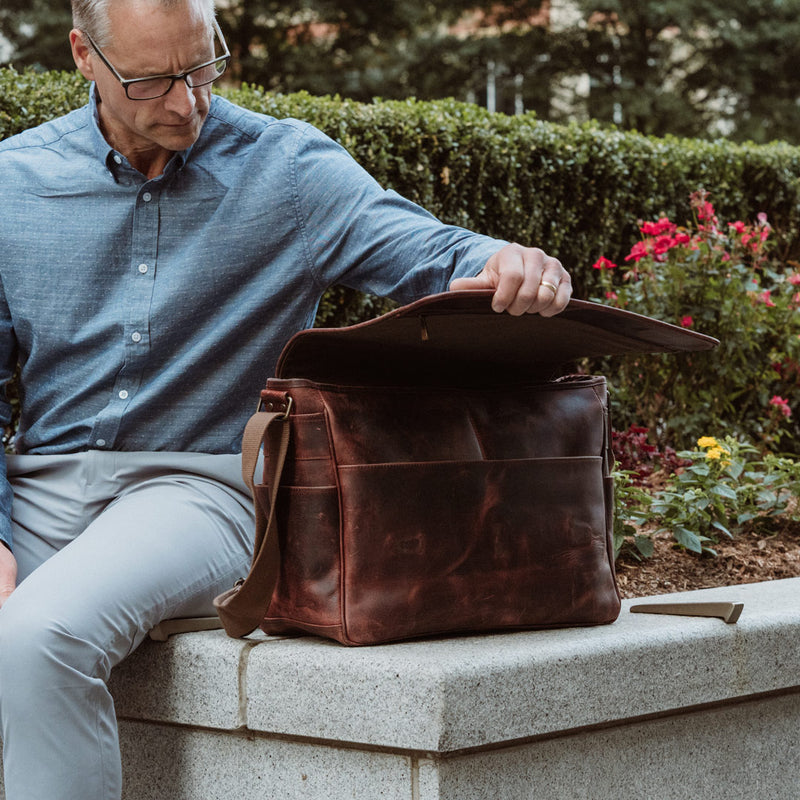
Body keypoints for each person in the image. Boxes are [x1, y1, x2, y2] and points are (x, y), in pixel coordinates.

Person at [0, 0, 572, 797]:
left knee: (38, 635)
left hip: (200, 487)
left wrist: (509, 261)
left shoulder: (290, 171)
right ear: (82, 57)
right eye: (151, 80)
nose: (186, 102)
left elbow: (430, 251)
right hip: (37, 486)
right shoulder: (11, 184)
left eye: (202, 66)